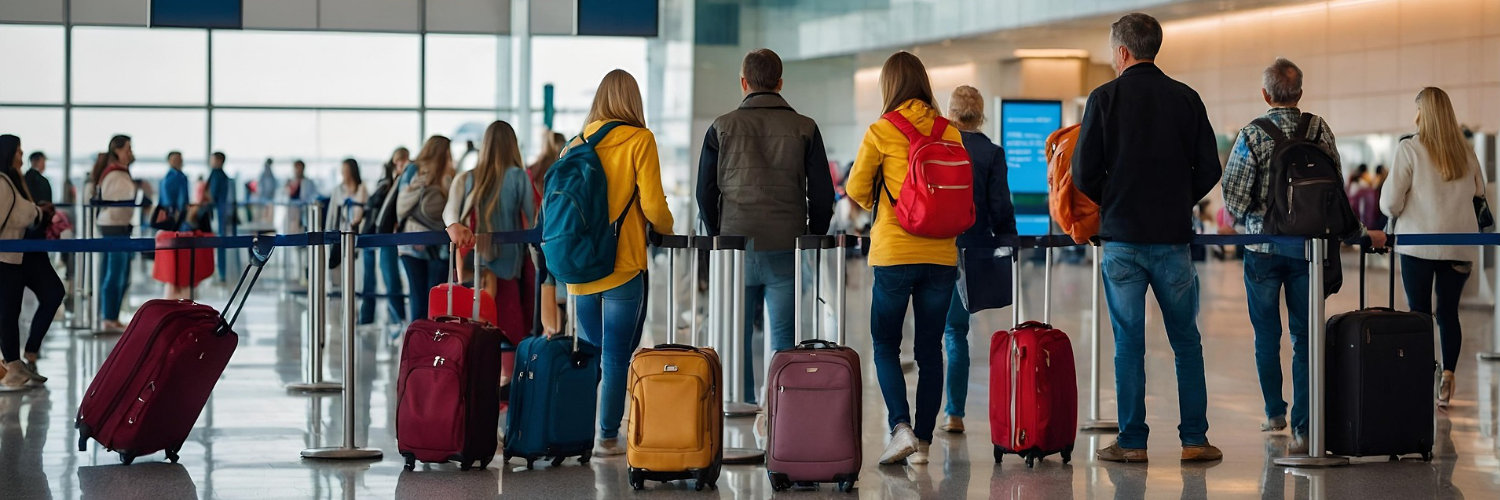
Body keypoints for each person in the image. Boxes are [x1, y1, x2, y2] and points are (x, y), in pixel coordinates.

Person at [1071, 13, 1223, 463]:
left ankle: (1133, 442)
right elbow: (1210, 168)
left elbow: (1082, 172)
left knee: (1129, 343)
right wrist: (1179, 199)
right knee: (1186, 341)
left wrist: (1114, 198)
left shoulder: (1104, 98)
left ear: (1122, 52)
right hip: (1173, 240)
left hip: (1122, 240)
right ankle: (1194, 439)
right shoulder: (1186, 98)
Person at [1221, 58, 1387, 454]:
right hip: (1310, 251)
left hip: (1262, 250)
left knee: (1266, 335)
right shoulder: (1318, 129)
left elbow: (1233, 196)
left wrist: (1254, 220)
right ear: (1300, 93)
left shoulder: (1252, 134)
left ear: (1266, 94)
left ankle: (1274, 412)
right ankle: (1304, 427)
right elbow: (1335, 191)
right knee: (1304, 338)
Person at [696, 48, 836, 409]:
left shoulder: (721, 127)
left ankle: (741, 405)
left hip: (735, 246)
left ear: (744, 83)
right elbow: (822, 195)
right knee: (783, 335)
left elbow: (705, 191)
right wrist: (811, 237)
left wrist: (719, 234)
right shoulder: (805, 127)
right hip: (786, 245)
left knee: (736, 334)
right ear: (780, 83)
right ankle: (779, 410)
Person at [844, 51, 962, 466]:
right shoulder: (951, 131)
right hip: (943, 255)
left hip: (894, 251)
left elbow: (857, 191)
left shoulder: (881, 130)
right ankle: (924, 442)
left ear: (889, 86)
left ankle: (901, 428)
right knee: (931, 349)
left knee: (884, 344)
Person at [564, 69, 675, 456]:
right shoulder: (639, 139)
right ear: (633, 101)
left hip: (579, 271)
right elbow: (654, 205)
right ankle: (608, 435)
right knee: (614, 355)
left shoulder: (574, 144)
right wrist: (667, 228)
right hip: (622, 264)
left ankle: (576, 428)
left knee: (591, 352)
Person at [1380, 87, 1487, 408]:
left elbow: (1389, 203)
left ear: (1421, 114)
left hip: (1418, 247)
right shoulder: (1466, 151)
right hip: (1461, 245)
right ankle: (1449, 375)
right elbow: (1480, 192)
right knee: (1448, 313)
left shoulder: (1410, 149)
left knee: (1419, 315)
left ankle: (1422, 376)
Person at [938, 85, 1016, 434]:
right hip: (973, 251)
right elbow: (1000, 205)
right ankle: (954, 412)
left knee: (931, 333)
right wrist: (1009, 242)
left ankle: (921, 415)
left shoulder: (937, 147)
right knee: (957, 332)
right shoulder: (992, 152)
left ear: (950, 114)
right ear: (981, 115)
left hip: (935, 248)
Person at [444, 121, 536, 340]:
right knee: (510, 331)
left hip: (474, 265)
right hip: (507, 265)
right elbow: (532, 222)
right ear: (512, 145)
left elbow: (450, 215)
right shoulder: (518, 176)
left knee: (477, 328)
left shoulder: (468, 177)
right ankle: (506, 375)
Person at [0, 135, 63, 390]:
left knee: (53, 293)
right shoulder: (6, 180)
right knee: (8, 311)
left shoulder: (20, 178)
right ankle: (13, 364)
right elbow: (18, 213)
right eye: (18, 150)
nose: (21, 153)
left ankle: (27, 356)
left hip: (28, 251)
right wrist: (38, 212)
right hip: (12, 253)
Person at [396, 137, 455, 321]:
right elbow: (402, 205)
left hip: (436, 245)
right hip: (416, 242)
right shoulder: (416, 170)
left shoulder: (448, 173)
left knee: (432, 301)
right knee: (421, 299)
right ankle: (419, 344)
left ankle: (425, 342)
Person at [93, 135, 137, 332]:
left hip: (117, 226)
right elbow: (118, 200)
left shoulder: (118, 172)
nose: (130, 152)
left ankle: (111, 315)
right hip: (114, 227)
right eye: (127, 148)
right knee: (115, 273)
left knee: (117, 272)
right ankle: (109, 316)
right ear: (117, 150)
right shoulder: (115, 174)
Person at [361, 149, 409, 329]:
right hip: (383, 235)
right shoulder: (388, 183)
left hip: (388, 236)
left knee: (391, 279)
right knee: (385, 278)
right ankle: (395, 320)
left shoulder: (398, 181)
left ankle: (398, 320)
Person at [158, 151, 194, 300]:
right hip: (174, 219)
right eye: (174, 159)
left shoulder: (178, 177)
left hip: (178, 219)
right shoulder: (172, 178)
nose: (177, 162)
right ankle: (174, 281)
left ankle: (176, 281)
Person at [205, 152, 235, 281]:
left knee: (219, 242)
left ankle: (221, 273)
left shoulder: (216, 175)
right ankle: (222, 272)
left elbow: (211, 195)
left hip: (217, 214)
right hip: (223, 213)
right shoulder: (222, 176)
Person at [327, 159, 368, 233]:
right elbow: (331, 215)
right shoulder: (337, 190)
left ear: (352, 172)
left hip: (358, 233)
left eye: (346, 171)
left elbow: (366, 213)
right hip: (340, 233)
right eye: (342, 171)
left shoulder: (362, 189)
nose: (343, 173)